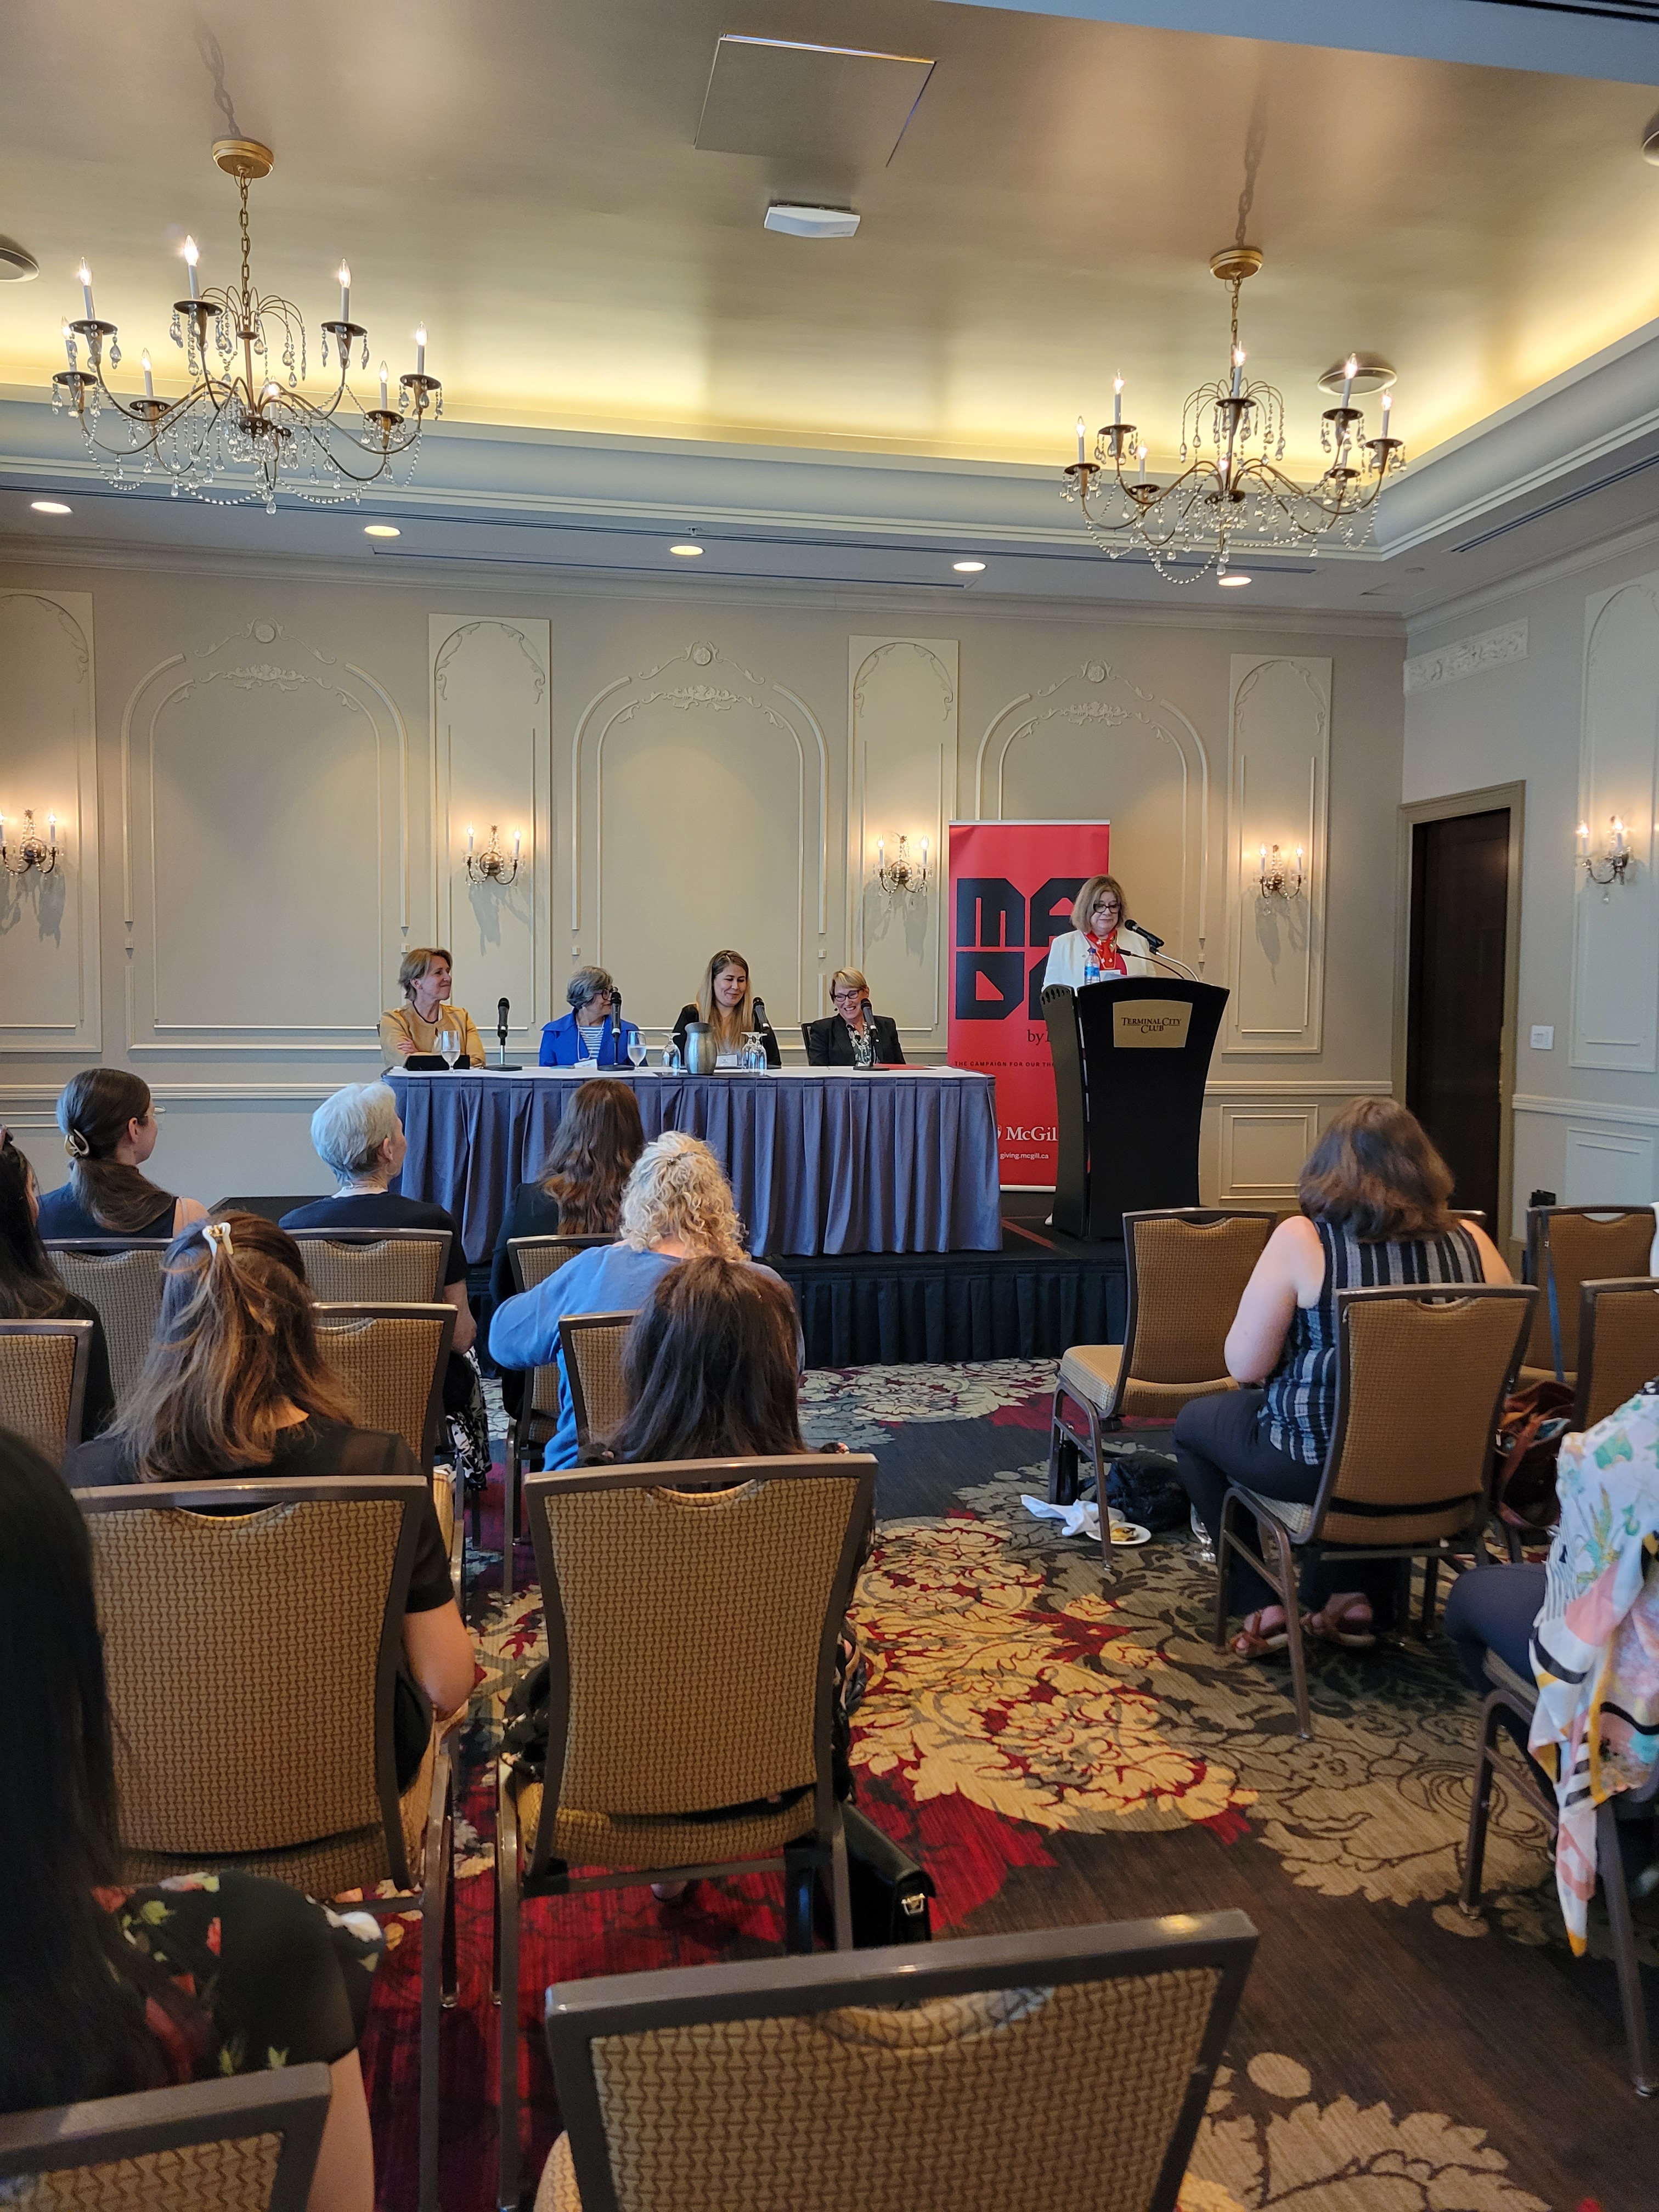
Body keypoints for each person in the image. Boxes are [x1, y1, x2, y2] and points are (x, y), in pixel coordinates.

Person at [0, 1428, 383, 2212]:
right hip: (349, 1808)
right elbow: (449, 1677)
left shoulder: (92, 1467)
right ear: (69, 1694)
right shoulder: (258, 1952)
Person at [66, 1214, 476, 1786]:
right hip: (346, 1774)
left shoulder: (88, 1476)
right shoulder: (377, 1467)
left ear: (166, 1326)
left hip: (149, 1785)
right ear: (302, 1322)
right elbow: (447, 1683)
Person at [1174, 1097, 1510, 1658]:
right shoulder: (1475, 1244)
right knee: (1391, 1423)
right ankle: (1356, 1598)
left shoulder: (1305, 1241)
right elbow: (1500, 1362)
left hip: (1318, 1470)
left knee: (1193, 1427)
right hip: (1448, 1472)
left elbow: (1245, 1366)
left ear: (1329, 1168)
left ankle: (1260, 1600)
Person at [490, 1130, 774, 1470]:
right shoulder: (764, 1289)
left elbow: (503, 1342)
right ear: (720, 1207)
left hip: (597, 1489)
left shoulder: (592, 1273)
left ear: (638, 1203)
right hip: (734, 1489)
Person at [280, 1082, 478, 1417]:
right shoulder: (432, 1223)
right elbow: (461, 1338)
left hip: (320, 1398)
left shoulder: (292, 1228)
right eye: (401, 1130)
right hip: (423, 1398)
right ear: (387, 1149)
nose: (405, 1140)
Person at [488, 1080, 645, 1419]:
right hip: (639, 1390)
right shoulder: (651, 1209)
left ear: (570, 1128)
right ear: (635, 1132)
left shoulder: (529, 1202)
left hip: (540, 1390)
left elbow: (503, 1294)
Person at [0, 1129, 115, 1440]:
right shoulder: (69, 1314)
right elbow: (96, 1435)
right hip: (44, 1486)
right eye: (31, 1190)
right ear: (17, 1213)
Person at [34, 1069, 210, 1243]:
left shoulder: (31, 1215)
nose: (156, 1125)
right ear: (133, 1129)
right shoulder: (187, 1219)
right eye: (152, 1115)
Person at [671, 950, 782, 1068]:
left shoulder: (754, 1016)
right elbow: (676, 1066)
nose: (736, 987)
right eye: (729, 979)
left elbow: (774, 1064)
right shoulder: (692, 1015)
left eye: (741, 980)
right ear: (713, 981)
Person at [1042, 874, 1157, 989]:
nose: (1107, 912)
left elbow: (1153, 989)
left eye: (1113, 906)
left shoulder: (1138, 941)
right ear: (1086, 908)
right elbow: (1050, 995)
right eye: (1100, 906)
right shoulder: (1063, 944)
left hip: (1129, 1007)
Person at [379, 946, 486, 1068]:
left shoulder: (461, 1017)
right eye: (438, 973)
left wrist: (418, 1054)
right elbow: (407, 1062)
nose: (448, 978)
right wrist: (455, 1061)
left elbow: (478, 1061)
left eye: (447, 972)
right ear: (417, 983)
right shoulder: (394, 1019)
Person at [539, 966, 642, 1068]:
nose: (611, 998)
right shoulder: (554, 1032)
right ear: (586, 996)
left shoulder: (628, 1031)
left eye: (611, 992)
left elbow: (641, 1077)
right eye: (605, 993)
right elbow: (545, 1080)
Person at [802, 969, 905, 1069]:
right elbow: (818, 1073)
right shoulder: (823, 1029)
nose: (847, 1002)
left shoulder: (887, 1025)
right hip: (843, 1086)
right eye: (840, 997)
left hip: (883, 1086)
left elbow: (901, 1069)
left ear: (866, 992)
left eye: (852, 994)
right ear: (834, 1000)